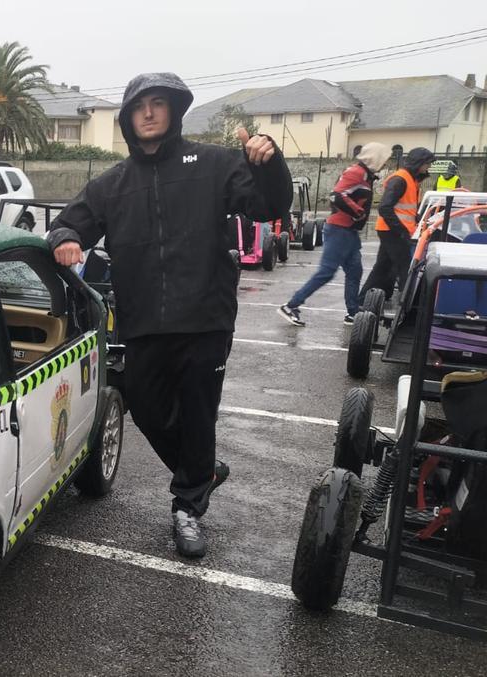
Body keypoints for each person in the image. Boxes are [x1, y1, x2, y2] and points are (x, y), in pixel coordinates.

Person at [48, 72, 292, 558]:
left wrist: (269, 164)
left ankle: (187, 507)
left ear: (174, 110)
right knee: (146, 405)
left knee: (199, 413)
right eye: (140, 106)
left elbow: (268, 206)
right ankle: (200, 473)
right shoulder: (112, 185)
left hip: (206, 316)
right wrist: (66, 239)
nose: (149, 112)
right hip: (143, 322)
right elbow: (70, 222)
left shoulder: (215, 164)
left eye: (159, 103)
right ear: (127, 117)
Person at [278, 142, 392, 326]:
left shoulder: (366, 176)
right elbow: (336, 195)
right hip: (339, 230)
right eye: (384, 160)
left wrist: (357, 217)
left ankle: (353, 312)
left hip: (349, 232)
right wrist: (358, 212)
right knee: (326, 272)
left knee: (355, 271)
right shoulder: (355, 173)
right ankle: (291, 305)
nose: (385, 164)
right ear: (375, 158)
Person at [358, 147, 435, 304]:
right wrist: (401, 230)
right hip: (393, 231)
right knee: (404, 267)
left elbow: (409, 208)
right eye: (427, 164)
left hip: (393, 230)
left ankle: (368, 299)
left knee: (384, 266)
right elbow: (385, 207)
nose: (429, 167)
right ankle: (409, 306)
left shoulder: (410, 180)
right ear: (419, 163)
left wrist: (419, 222)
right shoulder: (400, 179)